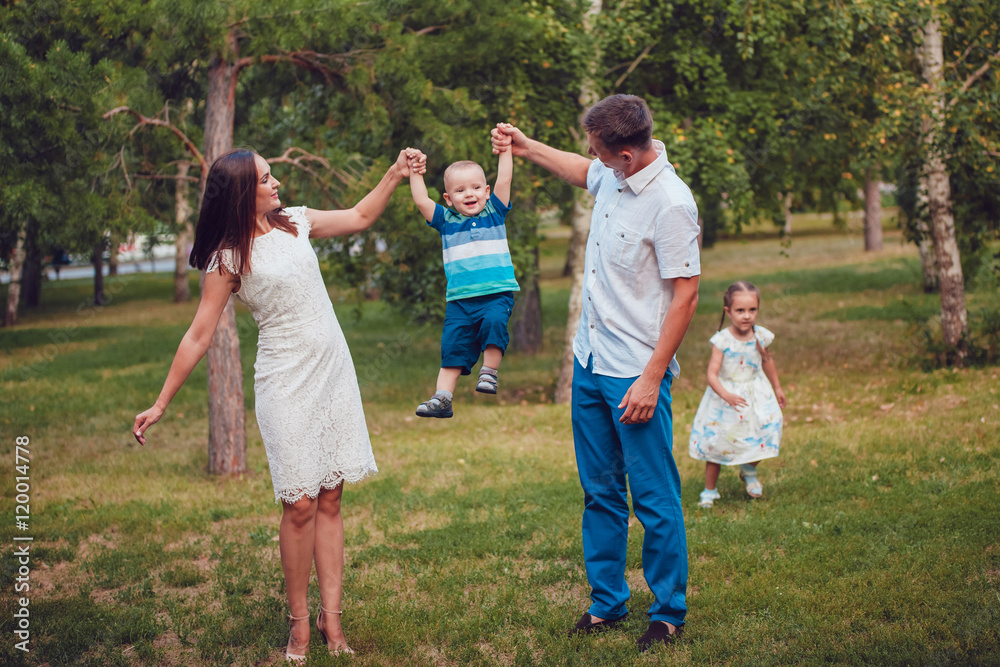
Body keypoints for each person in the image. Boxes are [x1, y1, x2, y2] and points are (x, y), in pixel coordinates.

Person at [132, 146, 426, 663]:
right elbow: (199, 335)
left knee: (331, 497)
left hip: (333, 368)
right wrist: (160, 403)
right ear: (245, 192)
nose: (277, 183)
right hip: (284, 379)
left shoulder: (295, 222)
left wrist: (396, 173)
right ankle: (298, 626)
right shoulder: (228, 256)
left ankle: (332, 621)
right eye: (267, 178)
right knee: (300, 505)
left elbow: (359, 215)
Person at [492, 95, 700, 652]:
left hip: (634, 373)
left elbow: (687, 295)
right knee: (599, 491)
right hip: (590, 362)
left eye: (601, 152)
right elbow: (579, 169)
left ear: (628, 153)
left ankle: (669, 612)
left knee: (653, 497)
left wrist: (653, 377)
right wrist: (526, 146)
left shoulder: (671, 204)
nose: (593, 159)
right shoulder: (612, 174)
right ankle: (607, 603)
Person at [406, 130, 518, 419]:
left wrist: (505, 149)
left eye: (476, 187)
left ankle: (489, 372)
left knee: (494, 323)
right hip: (459, 301)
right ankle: (442, 398)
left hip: (496, 294)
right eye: (460, 190)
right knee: (453, 345)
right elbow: (421, 200)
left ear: (487, 191)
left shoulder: (495, 212)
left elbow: (504, 178)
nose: (469, 194)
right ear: (448, 198)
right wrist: (415, 172)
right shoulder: (446, 221)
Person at [689, 281, 786, 507]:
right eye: (740, 311)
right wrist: (726, 395)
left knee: (767, 429)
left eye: (752, 310)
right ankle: (710, 490)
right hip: (725, 397)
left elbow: (767, 360)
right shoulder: (722, 340)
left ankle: (749, 469)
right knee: (717, 441)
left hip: (755, 392)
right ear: (728, 312)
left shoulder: (760, 336)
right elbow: (711, 375)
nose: (746, 316)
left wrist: (778, 387)